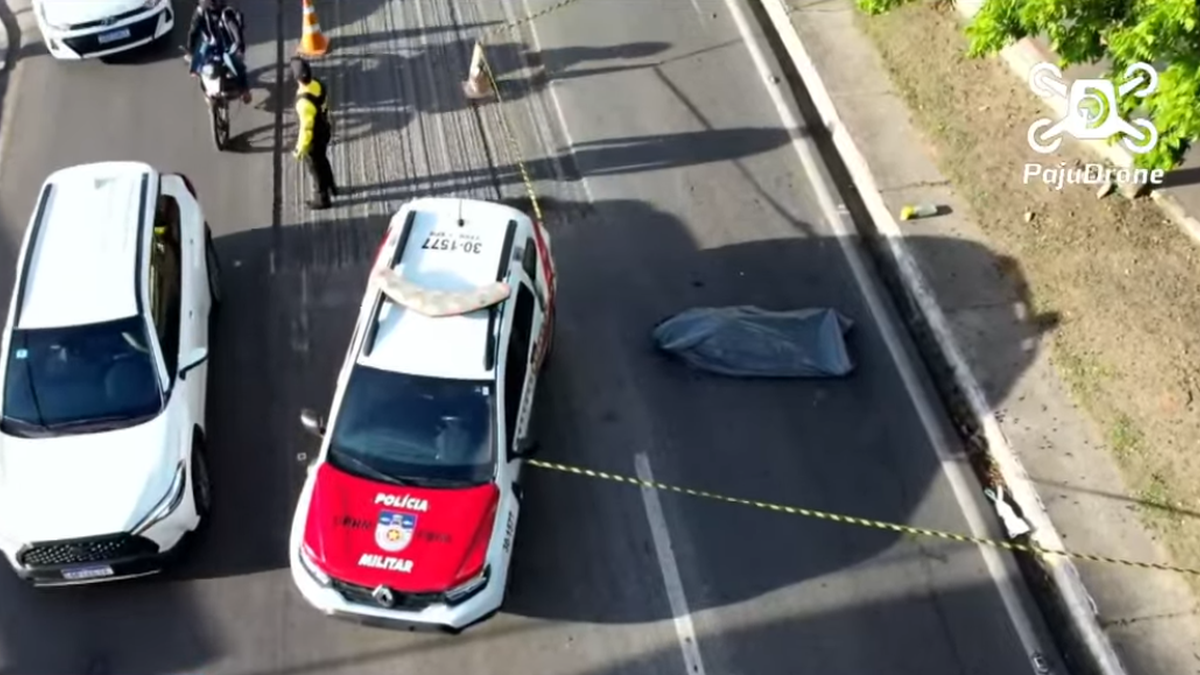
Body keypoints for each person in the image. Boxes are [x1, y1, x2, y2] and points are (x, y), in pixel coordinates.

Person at [291, 57, 339, 210]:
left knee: (315, 168)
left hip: (313, 138)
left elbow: (306, 129)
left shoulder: (303, 102)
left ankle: (322, 198)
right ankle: (331, 186)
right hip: (324, 129)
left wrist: (300, 149)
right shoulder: (317, 85)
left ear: (296, 78)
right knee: (323, 160)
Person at [185, 0, 251, 103]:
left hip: (225, 47)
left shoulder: (226, 13)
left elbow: (236, 32)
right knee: (199, 60)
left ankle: (244, 90)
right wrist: (190, 50)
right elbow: (193, 31)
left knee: (237, 63)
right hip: (210, 45)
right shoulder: (200, 13)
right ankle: (205, 86)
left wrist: (239, 48)